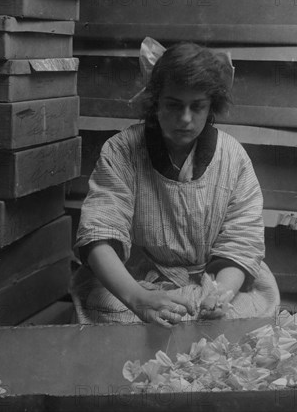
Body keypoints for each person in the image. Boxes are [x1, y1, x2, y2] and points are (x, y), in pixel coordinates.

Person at [71, 38, 280, 327]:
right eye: (173, 105)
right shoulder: (121, 150)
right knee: (115, 311)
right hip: (141, 281)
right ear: (155, 102)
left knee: (238, 316)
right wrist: (137, 298)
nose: (185, 119)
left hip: (214, 278)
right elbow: (99, 233)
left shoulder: (233, 157)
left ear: (211, 107)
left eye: (197, 106)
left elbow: (242, 242)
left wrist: (219, 296)